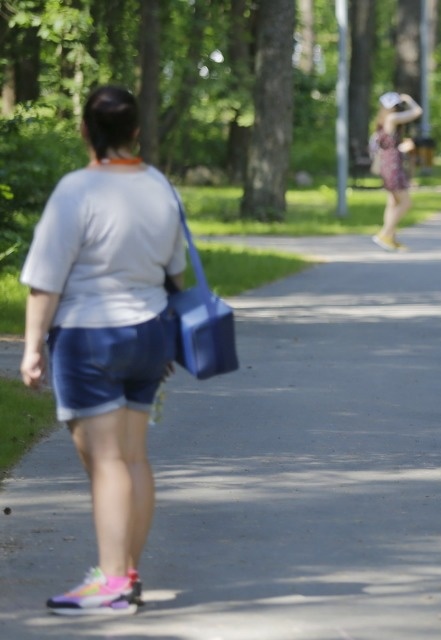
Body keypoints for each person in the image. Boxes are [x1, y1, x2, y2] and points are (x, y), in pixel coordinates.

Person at [19, 85, 185, 615]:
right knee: (134, 458)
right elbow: (178, 270)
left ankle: (113, 583)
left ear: (85, 131)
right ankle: (126, 574)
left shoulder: (76, 190)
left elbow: (45, 281)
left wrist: (31, 349)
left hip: (90, 336)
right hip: (150, 332)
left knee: (108, 463)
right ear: (136, 130)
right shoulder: (159, 186)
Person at [371, 91, 423, 251]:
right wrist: (409, 99)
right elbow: (417, 112)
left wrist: (401, 148)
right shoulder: (392, 118)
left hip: (388, 165)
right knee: (406, 203)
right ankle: (384, 234)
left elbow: (389, 147)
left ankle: (390, 238)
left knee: (393, 202)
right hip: (393, 167)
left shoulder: (382, 121)